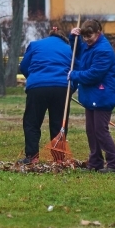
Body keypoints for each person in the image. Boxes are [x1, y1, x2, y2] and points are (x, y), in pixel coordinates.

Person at [69, 19, 115, 173]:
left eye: (89, 36)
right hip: (92, 96)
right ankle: (95, 162)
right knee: (91, 130)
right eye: (84, 36)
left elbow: (94, 74)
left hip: (103, 95)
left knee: (100, 130)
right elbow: (77, 52)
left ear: (98, 33)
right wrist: (73, 38)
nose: (86, 40)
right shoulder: (89, 45)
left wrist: (74, 75)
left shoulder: (103, 50)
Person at [17, 27, 74, 165]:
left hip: (37, 87)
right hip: (61, 87)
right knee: (59, 123)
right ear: (63, 38)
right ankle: (59, 158)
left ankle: (32, 157)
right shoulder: (70, 49)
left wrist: (33, 79)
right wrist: (71, 90)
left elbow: (24, 66)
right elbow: (75, 70)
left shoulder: (35, 45)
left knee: (32, 122)